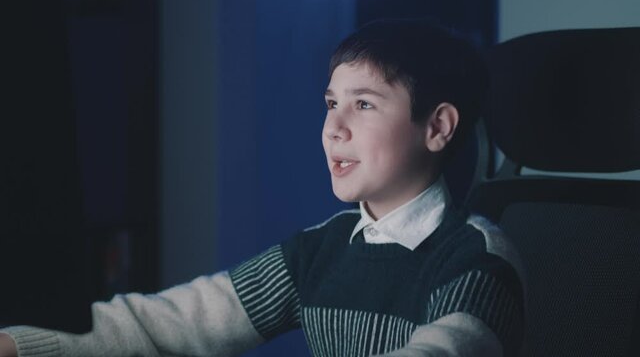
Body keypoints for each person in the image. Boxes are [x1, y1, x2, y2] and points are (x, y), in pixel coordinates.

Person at [0, 19, 524, 357]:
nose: (333, 127)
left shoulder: (477, 261)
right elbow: (173, 323)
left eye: (363, 104)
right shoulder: (320, 251)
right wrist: (18, 345)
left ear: (437, 127)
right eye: (330, 103)